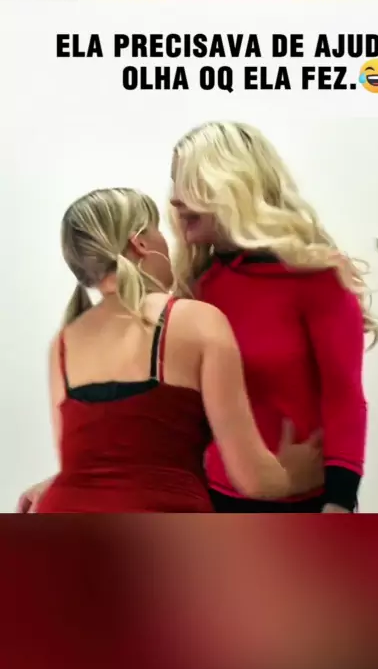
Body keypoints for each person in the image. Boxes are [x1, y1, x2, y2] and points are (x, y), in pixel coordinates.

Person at [23, 187, 323, 513]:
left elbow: (91, 462)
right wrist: (295, 475)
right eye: (158, 230)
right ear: (140, 243)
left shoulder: (64, 343)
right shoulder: (195, 320)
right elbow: (253, 479)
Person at [168, 121, 378, 513]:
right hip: (211, 497)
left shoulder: (316, 277)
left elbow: (344, 396)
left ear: (232, 185)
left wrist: (339, 501)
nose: (175, 199)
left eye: (189, 182)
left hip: (305, 503)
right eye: (174, 182)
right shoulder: (197, 284)